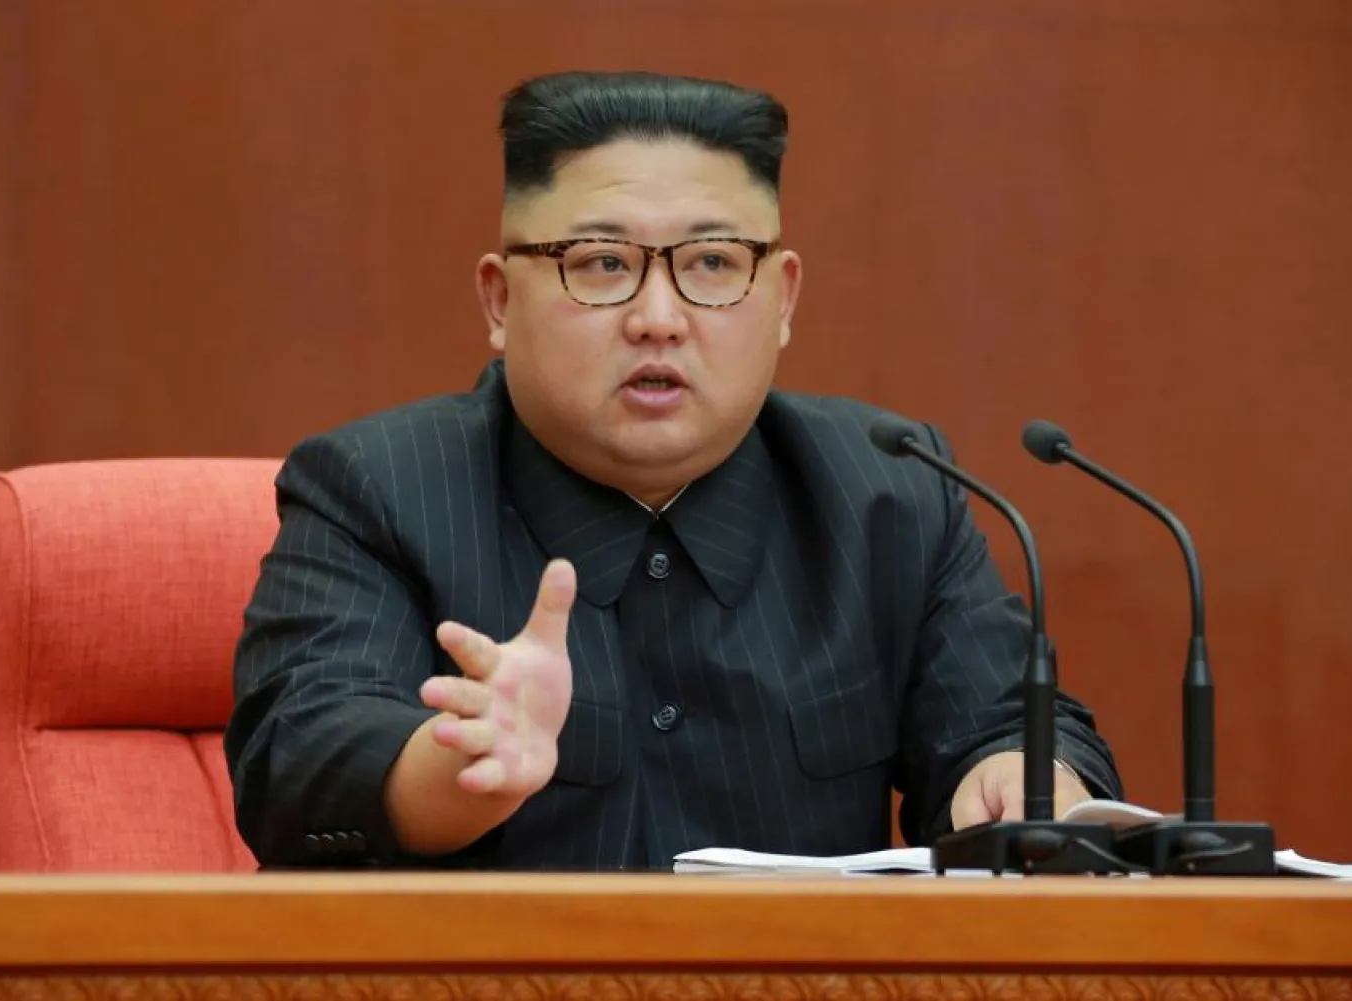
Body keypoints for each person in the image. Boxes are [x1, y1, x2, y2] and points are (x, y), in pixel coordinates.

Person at [224, 69, 1122, 871]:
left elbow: (1011, 721)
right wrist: (461, 767)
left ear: (783, 299)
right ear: (499, 300)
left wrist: (1020, 769)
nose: (659, 317)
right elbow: (299, 761)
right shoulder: (376, 487)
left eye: (713, 264)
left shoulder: (893, 490)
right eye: (603, 263)